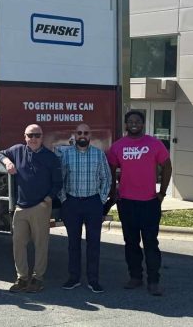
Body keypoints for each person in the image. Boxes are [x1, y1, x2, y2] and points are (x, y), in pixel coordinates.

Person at [107, 110, 172, 296]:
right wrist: (113, 192)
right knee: (131, 243)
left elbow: (167, 166)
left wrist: (162, 193)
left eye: (137, 121)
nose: (134, 124)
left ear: (143, 124)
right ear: (126, 125)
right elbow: (110, 169)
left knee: (151, 243)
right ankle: (135, 277)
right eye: (130, 121)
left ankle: (153, 281)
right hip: (127, 202)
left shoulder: (154, 144)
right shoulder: (118, 146)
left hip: (150, 203)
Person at [0, 124, 62, 293]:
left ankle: (37, 279)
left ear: (42, 137)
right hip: (21, 207)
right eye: (30, 135)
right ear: (25, 137)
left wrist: (46, 200)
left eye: (37, 135)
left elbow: (58, 183)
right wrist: (7, 162)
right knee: (18, 243)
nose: (33, 138)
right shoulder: (17, 151)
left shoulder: (50, 157)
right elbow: (0, 154)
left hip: (41, 207)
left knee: (41, 245)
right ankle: (22, 278)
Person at [58, 123, 111, 293]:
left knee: (93, 243)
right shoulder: (66, 155)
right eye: (79, 132)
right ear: (75, 135)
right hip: (72, 203)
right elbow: (60, 180)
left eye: (86, 133)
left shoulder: (98, 154)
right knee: (73, 243)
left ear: (90, 135)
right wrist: (64, 199)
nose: (82, 135)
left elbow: (107, 178)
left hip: (93, 203)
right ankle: (74, 278)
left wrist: (101, 200)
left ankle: (93, 280)